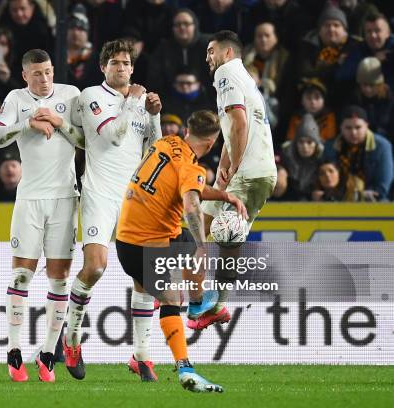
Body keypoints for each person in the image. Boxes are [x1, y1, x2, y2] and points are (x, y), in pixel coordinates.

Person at [116, 110, 246, 390]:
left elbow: (189, 188)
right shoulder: (191, 168)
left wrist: (223, 194)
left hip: (128, 236)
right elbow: (191, 204)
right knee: (172, 296)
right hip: (144, 244)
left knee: (183, 242)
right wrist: (203, 246)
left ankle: (196, 307)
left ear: (188, 130)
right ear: (211, 144)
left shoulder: (165, 143)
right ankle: (186, 370)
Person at [63, 39, 162, 381]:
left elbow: (153, 149)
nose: (121, 68)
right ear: (103, 67)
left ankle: (142, 354)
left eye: (126, 63)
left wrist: (155, 115)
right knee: (95, 267)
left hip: (133, 199)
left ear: (133, 68)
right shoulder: (92, 96)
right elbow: (113, 137)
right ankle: (71, 338)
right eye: (115, 63)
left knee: (144, 276)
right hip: (99, 195)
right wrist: (135, 102)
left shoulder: (137, 103)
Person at [0, 49, 83, 382]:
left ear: (53, 69)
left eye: (48, 72)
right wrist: (28, 123)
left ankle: (47, 353)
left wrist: (59, 122)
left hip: (64, 199)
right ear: (25, 75)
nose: (44, 79)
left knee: (59, 279)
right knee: (21, 277)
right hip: (28, 199)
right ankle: (14, 351)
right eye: (37, 73)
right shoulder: (16, 98)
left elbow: (86, 141)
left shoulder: (72, 96)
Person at [195, 30, 277, 330]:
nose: (207, 58)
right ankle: (202, 297)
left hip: (250, 171)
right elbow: (235, 131)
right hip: (257, 170)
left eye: (211, 51)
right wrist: (224, 167)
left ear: (227, 53)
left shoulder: (226, 74)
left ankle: (212, 302)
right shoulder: (245, 79)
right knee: (201, 223)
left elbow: (240, 123)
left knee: (227, 234)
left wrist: (236, 165)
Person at [323, 105, 393, 201]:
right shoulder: (330, 146)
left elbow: (383, 185)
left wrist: (361, 196)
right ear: (341, 128)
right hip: (338, 198)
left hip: (371, 198)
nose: (353, 133)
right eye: (348, 128)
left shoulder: (382, 146)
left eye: (358, 127)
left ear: (366, 126)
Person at [280, 114, 324, 200]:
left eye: (309, 142)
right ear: (295, 144)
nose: (305, 146)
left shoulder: (323, 163)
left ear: (316, 145)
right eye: (301, 142)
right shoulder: (286, 161)